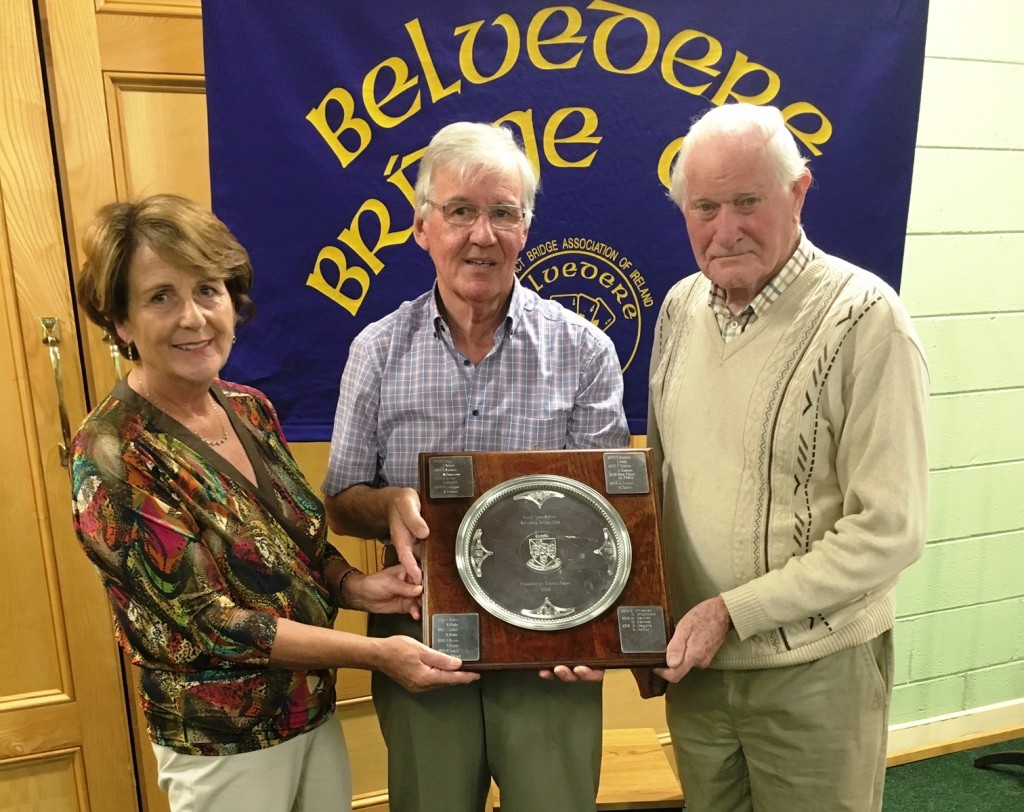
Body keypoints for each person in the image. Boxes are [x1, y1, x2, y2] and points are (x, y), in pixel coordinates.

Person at [70, 194, 479, 812]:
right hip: (221, 745)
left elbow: (301, 546)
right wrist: (378, 654)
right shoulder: (112, 453)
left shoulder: (248, 408)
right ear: (122, 323)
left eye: (208, 290)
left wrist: (355, 586)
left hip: (310, 712)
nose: (193, 317)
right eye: (160, 297)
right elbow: (213, 621)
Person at [322, 121, 630, 812]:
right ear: (423, 226)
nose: (481, 235)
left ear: (526, 228)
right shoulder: (375, 352)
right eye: (460, 211)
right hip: (420, 635)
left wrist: (601, 633)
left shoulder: (584, 352)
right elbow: (341, 498)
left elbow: (612, 515)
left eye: (502, 213)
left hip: (554, 642)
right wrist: (389, 502)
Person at [645, 103, 929, 811]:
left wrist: (732, 611)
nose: (726, 227)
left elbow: (890, 528)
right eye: (705, 206)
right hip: (699, 676)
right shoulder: (678, 310)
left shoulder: (867, 319)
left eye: (748, 201)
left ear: (797, 193)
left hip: (816, 676)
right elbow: (654, 483)